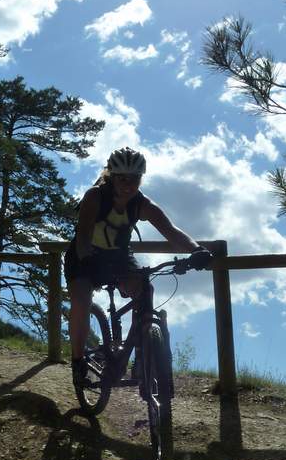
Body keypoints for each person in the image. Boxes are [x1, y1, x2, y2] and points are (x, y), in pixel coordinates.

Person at [65, 146, 212, 386]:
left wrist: (196, 250)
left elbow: (171, 231)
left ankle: (141, 354)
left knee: (145, 290)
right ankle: (78, 361)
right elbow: (82, 235)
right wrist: (88, 259)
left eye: (134, 178)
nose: (128, 184)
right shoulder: (95, 196)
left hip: (119, 256)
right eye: (122, 178)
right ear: (111, 177)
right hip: (85, 255)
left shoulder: (141, 204)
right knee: (81, 299)